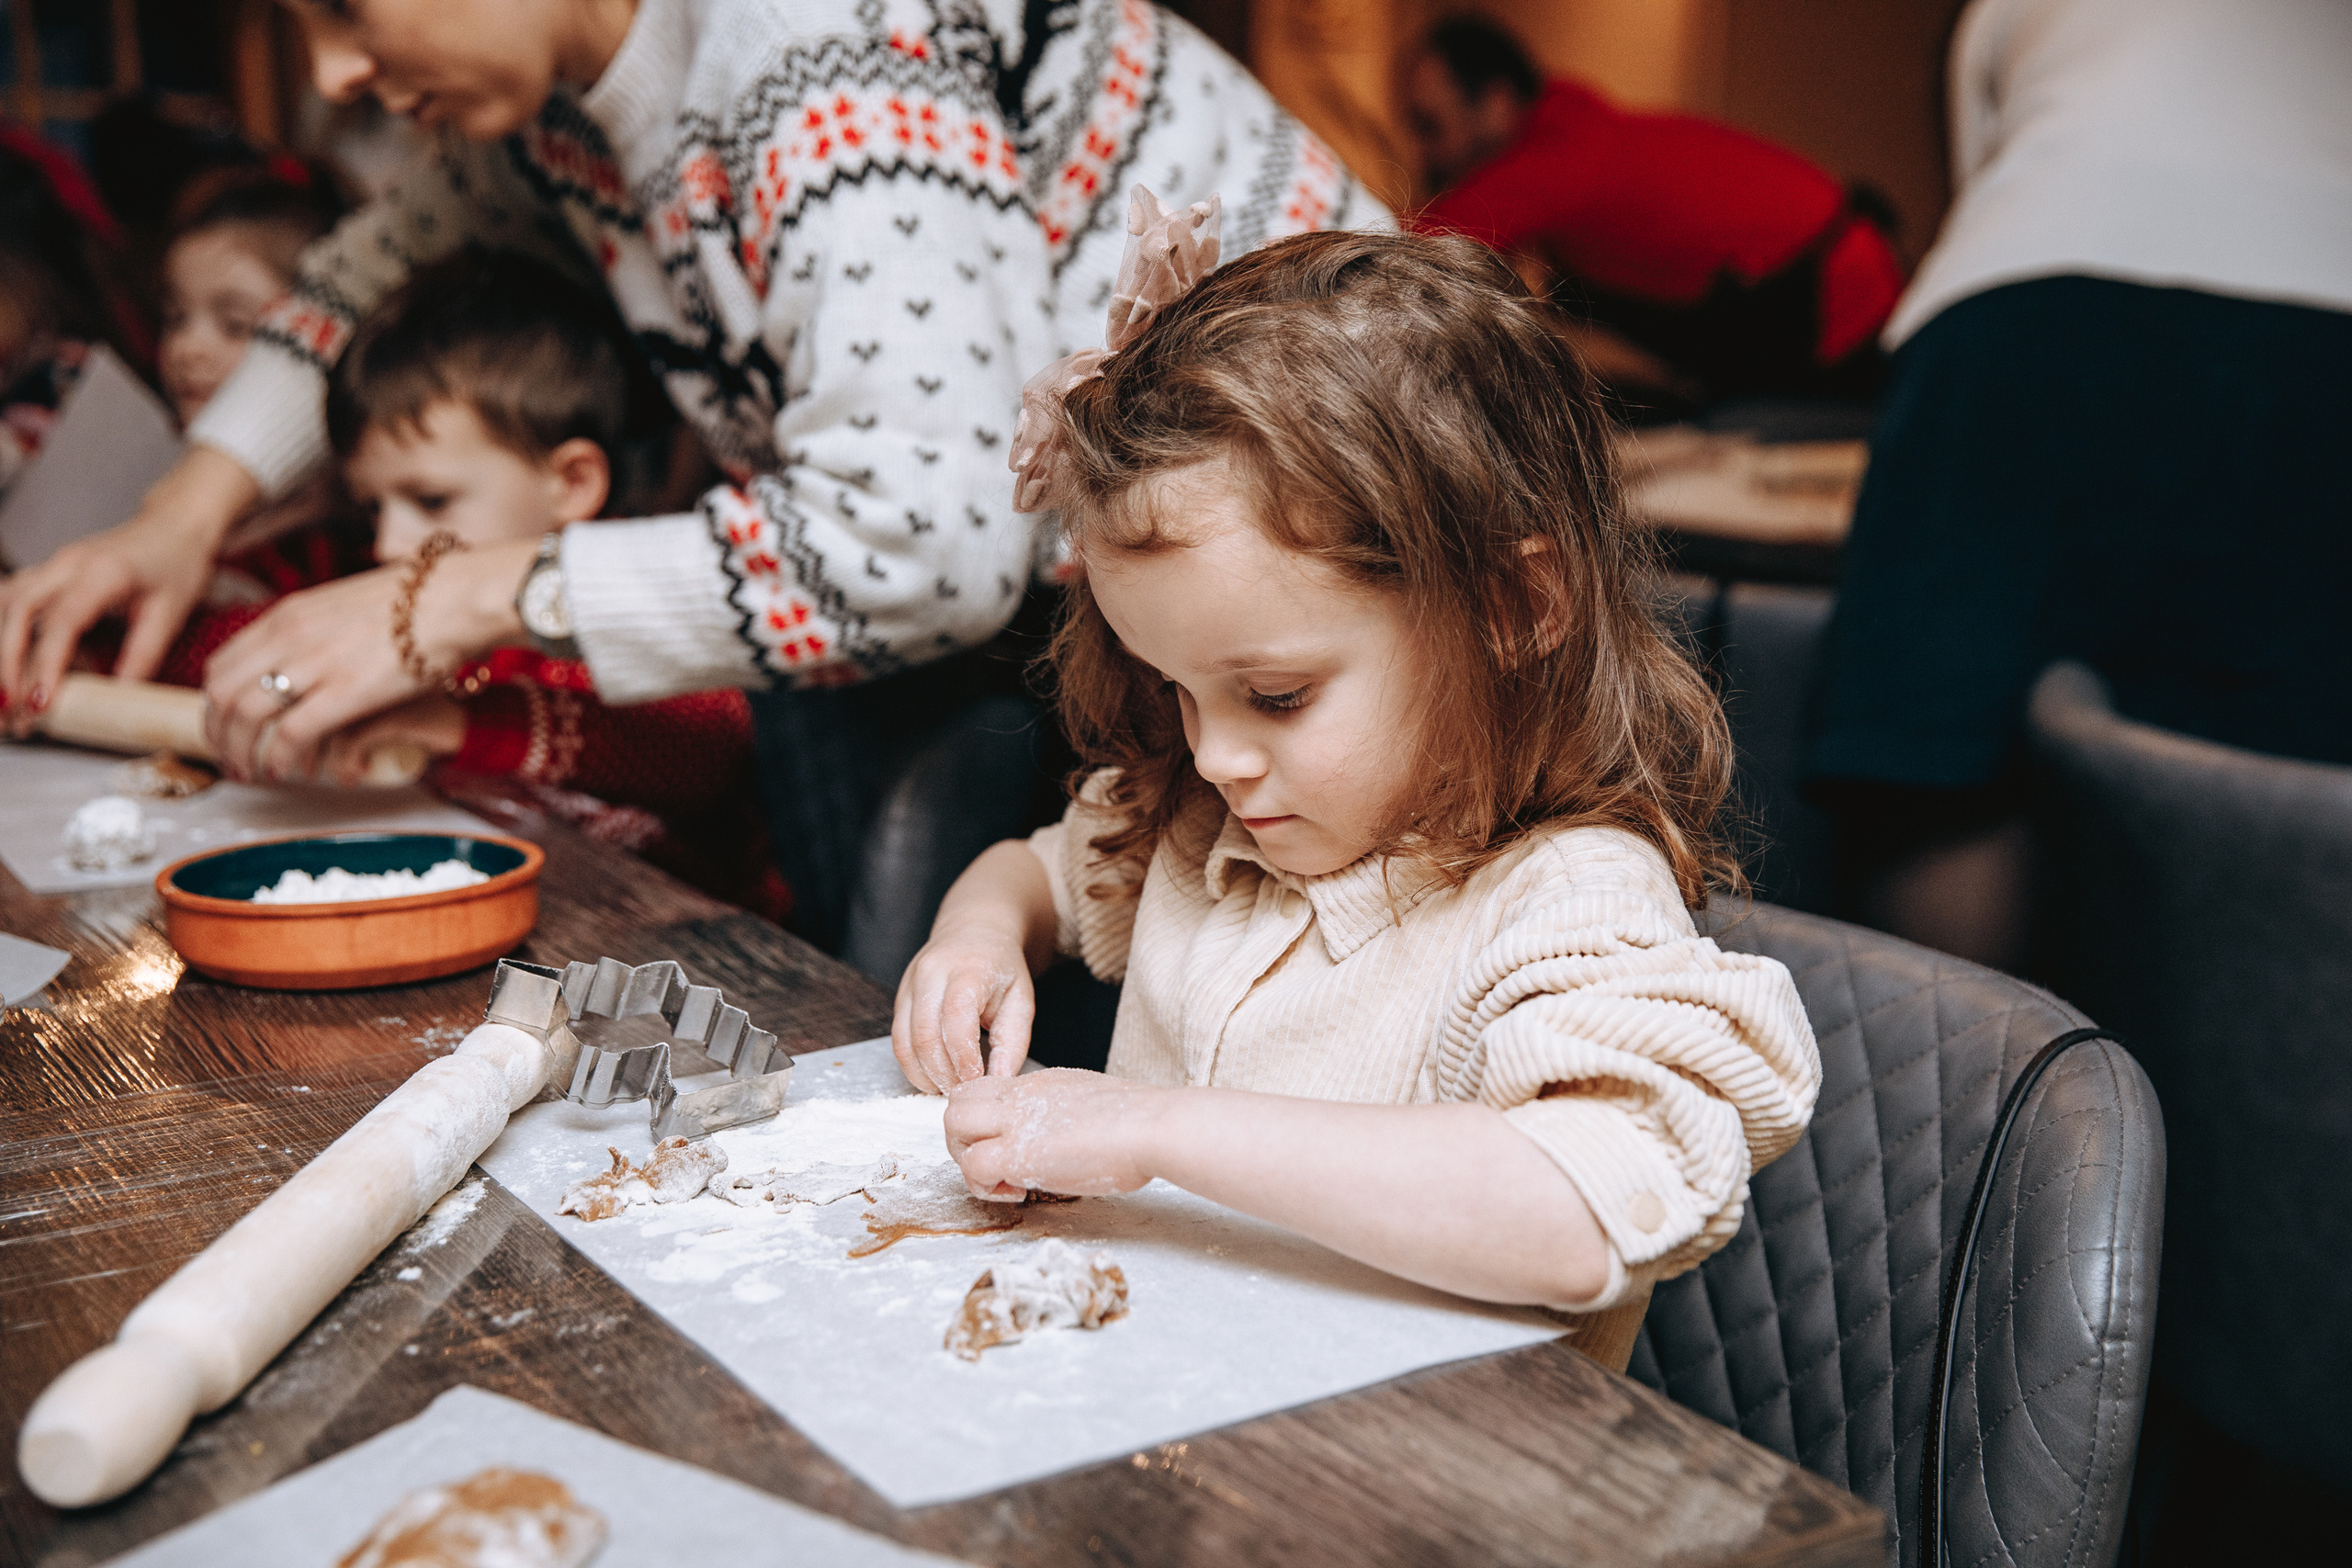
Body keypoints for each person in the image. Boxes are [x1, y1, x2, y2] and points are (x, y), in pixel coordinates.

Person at [0, 0, 1385, 952]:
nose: (335, 77)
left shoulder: (825, 53)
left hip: (1314, 570)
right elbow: (366, 279)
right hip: (1097, 614)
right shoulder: (558, 116)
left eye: (350, 7)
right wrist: (184, 513)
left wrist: (458, 596)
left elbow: (926, 543)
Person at [892, 208, 1822, 1368]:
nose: (1217, 754)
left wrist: (1150, 1129)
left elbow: (1582, 1216)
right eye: (1179, 690)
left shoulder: (1568, 899)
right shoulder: (1208, 825)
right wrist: (982, 939)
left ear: (1511, 611)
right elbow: (1034, 869)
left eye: (1274, 696)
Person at [1804, 0, 2352, 968]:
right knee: (2291, 790)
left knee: (1942, 779)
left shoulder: (2004, 15)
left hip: (2032, 299)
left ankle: (1969, 1107)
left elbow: (1977, 191)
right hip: (2326, 319)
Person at [159, 247, 788, 920]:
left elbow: (712, 743)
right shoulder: (388, 608)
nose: (388, 543)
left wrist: (462, 723)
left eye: (431, 501)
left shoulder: (638, 600)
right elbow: (234, 644)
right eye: (373, 506)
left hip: (683, 942)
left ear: (571, 483)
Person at [1400, 16, 1904, 409]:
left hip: (1828, 292)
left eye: (1430, 126)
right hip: (1831, 267)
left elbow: (1405, 255)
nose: (1424, 155)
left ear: (1496, 103)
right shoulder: (1577, 134)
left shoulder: (1553, 158)